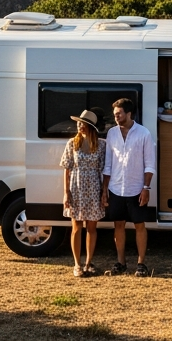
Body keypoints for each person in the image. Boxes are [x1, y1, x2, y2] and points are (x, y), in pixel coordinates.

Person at [100, 97, 156, 277]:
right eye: (115, 114)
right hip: (116, 188)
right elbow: (108, 164)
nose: (116, 116)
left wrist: (146, 188)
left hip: (136, 188)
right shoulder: (112, 134)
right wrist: (105, 190)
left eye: (119, 113)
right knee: (118, 225)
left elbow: (149, 164)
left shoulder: (144, 134)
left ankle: (141, 264)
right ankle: (121, 262)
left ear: (129, 113)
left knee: (139, 225)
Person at [60, 109, 106, 277]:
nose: (80, 126)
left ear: (91, 127)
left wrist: (104, 192)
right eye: (78, 123)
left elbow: (104, 169)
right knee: (76, 227)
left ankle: (89, 263)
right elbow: (66, 169)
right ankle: (77, 264)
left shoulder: (101, 144)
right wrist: (66, 193)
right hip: (76, 187)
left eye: (83, 124)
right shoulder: (72, 143)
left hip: (94, 187)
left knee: (92, 228)